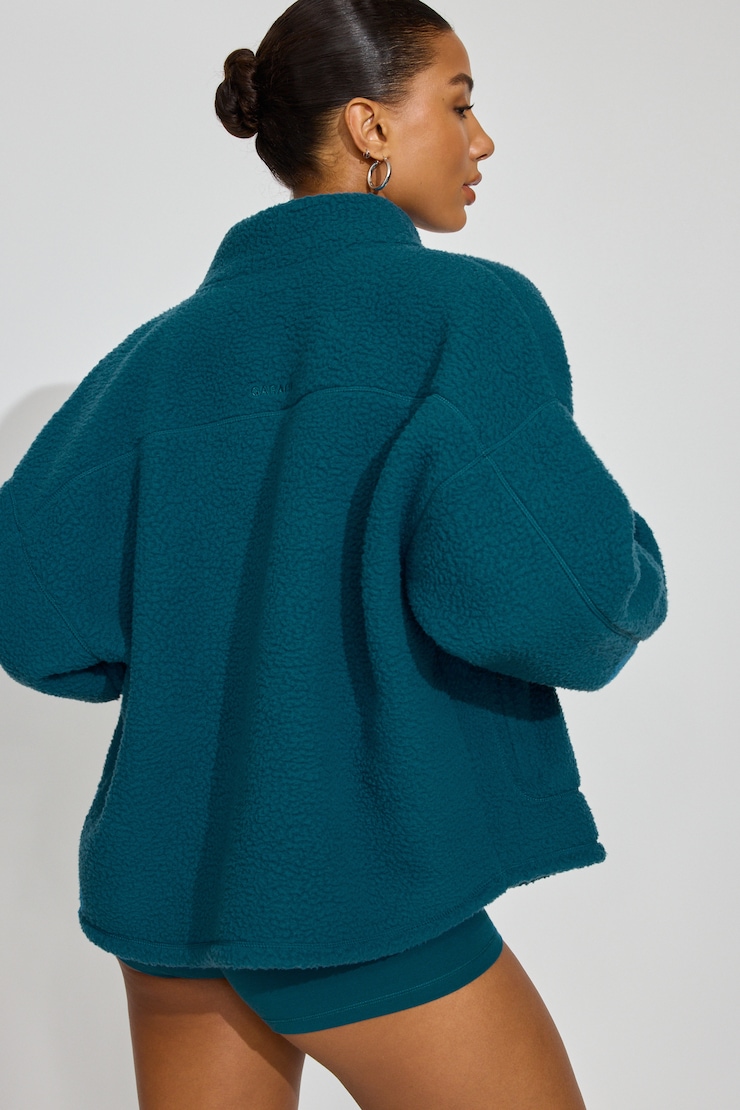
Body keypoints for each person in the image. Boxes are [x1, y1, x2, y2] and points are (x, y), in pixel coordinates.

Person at [0, 0, 668, 1106]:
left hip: (170, 894)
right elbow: (568, 604)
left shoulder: (156, 359)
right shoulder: (462, 316)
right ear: (369, 125)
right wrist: (632, 566)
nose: (482, 139)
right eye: (458, 103)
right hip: (352, 890)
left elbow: (30, 611)